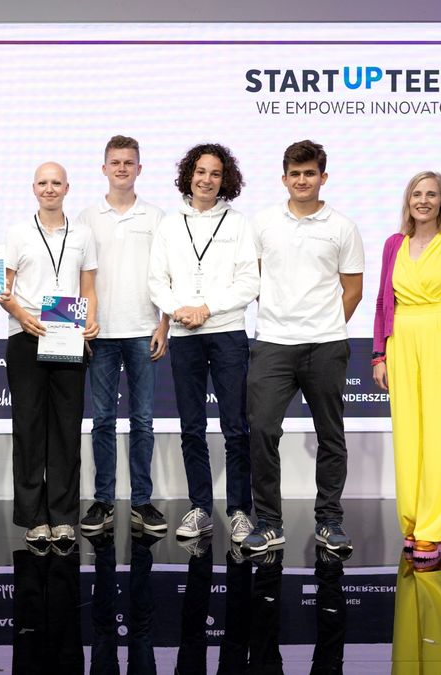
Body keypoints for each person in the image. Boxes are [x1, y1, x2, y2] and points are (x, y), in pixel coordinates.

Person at [243, 139, 364, 555]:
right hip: (273, 343)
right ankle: (268, 523)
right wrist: (283, 316)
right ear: (284, 179)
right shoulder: (263, 223)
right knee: (262, 430)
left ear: (322, 177)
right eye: (294, 174)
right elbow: (254, 281)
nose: (302, 180)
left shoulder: (342, 227)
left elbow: (353, 290)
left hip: (326, 345)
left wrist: (326, 325)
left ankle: (330, 520)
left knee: (331, 434)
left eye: (309, 173)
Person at [148, 143, 259, 542]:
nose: (206, 180)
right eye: (200, 172)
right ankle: (199, 508)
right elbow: (156, 280)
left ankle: (239, 510)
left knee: (236, 427)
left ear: (224, 179)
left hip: (227, 333)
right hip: (184, 335)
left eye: (215, 173)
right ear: (189, 175)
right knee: (192, 427)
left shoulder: (238, 223)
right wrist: (179, 310)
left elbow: (249, 281)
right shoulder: (169, 224)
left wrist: (206, 309)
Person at [373, 171, 441, 560]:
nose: (423, 200)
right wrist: (379, 354)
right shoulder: (393, 244)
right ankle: (414, 522)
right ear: (408, 200)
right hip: (400, 341)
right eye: (417, 193)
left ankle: (434, 529)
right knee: (408, 437)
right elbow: (383, 302)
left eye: (431, 194)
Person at [0, 162, 99, 545]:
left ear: (67, 188)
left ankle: (63, 515)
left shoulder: (83, 234)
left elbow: (88, 288)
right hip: (27, 335)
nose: (50, 188)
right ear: (34, 188)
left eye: (56, 182)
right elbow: (3, 289)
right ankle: (33, 517)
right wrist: (22, 316)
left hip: (69, 336)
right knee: (28, 428)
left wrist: (90, 322)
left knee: (66, 429)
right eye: (43, 182)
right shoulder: (18, 233)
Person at [78, 135, 169, 535]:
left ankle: (142, 502)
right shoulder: (86, 217)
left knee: (143, 421)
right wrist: (80, 324)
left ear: (139, 169)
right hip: (99, 333)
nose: (121, 168)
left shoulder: (157, 217)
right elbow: (76, 276)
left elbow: (168, 274)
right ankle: (103, 500)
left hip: (143, 331)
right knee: (102, 421)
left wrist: (164, 324)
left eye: (128, 162)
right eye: (115, 162)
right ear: (104, 168)